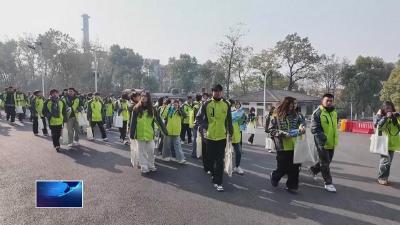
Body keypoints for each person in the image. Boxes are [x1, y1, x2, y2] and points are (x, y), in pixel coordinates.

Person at [196, 84, 233, 192]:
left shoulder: (226, 104)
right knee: (210, 158)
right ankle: (212, 173)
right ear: (212, 92)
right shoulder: (206, 104)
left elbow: (229, 120)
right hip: (210, 137)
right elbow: (198, 118)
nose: (217, 93)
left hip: (221, 137)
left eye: (219, 91)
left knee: (220, 159)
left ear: (222, 92)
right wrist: (206, 127)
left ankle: (219, 182)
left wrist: (230, 133)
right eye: (215, 91)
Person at [266, 97, 305, 193]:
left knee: (295, 167)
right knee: (283, 167)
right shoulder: (276, 116)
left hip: (295, 144)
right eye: (291, 104)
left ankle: (291, 186)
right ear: (286, 104)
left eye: (295, 104)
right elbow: (270, 130)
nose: (293, 106)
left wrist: (302, 127)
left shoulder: (298, 115)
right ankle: (274, 176)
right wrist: (283, 134)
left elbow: (302, 123)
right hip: (282, 145)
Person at [129, 91, 167, 173]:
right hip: (139, 135)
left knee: (151, 151)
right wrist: (131, 133)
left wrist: (164, 130)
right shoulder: (136, 108)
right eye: (142, 96)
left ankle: (151, 165)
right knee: (141, 152)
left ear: (148, 98)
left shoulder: (153, 109)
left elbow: (159, 121)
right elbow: (133, 122)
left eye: (145, 96)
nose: (143, 97)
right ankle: (144, 166)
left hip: (150, 134)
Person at [310, 93, 339, 193]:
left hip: (331, 141)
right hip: (321, 142)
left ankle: (314, 169)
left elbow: (334, 126)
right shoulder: (317, 113)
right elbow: (314, 129)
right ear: (322, 101)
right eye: (327, 100)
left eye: (331, 101)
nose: (329, 102)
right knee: (325, 162)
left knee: (328, 161)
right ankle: (328, 183)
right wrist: (323, 137)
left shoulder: (334, 112)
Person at [374, 101, 400, 186]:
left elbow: (398, 126)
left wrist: (394, 118)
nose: (388, 110)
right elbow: (379, 127)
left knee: (388, 162)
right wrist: (385, 118)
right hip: (384, 143)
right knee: (385, 161)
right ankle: (381, 178)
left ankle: (385, 178)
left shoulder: (396, 116)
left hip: (392, 143)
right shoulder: (380, 117)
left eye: (390, 108)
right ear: (383, 110)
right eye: (386, 108)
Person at [161, 99, 186, 164]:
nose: (175, 105)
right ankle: (166, 156)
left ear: (178, 104)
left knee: (178, 145)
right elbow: (163, 115)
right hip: (168, 130)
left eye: (176, 104)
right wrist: (166, 107)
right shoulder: (169, 110)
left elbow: (184, 115)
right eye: (173, 104)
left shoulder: (180, 110)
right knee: (166, 144)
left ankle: (180, 158)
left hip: (176, 130)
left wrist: (179, 109)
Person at [231, 100, 246, 175]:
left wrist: (243, 119)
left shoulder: (240, 113)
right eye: (235, 104)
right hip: (226, 136)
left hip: (236, 135)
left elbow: (242, 124)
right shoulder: (230, 112)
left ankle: (237, 167)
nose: (237, 105)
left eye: (238, 104)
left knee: (239, 152)